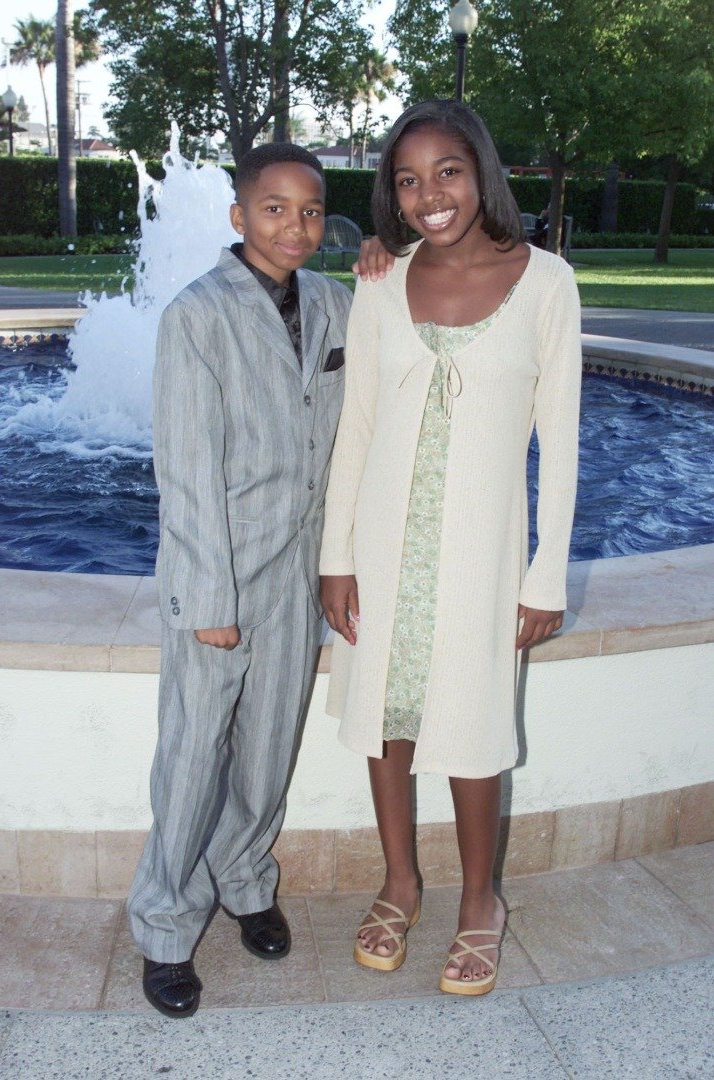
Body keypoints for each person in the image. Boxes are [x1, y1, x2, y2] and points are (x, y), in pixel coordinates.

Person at [320, 100, 581, 997]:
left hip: (481, 555)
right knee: (386, 713)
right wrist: (335, 557)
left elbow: (564, 441)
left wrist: (544, 571)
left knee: (473, 728)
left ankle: (481, 899)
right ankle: (400, 881)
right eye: (407, 178)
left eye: (447, 171)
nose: (429, 194)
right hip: (383, 547)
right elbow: (354, 427)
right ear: (392, 195)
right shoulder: (380, 281)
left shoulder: (545, 282)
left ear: (481, 173)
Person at [128, 143, 352, 1018]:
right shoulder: (197, 316)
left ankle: (246, 881)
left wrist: (385, 257)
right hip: (218, 577)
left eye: (308, 211)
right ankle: (163, 923)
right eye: (273, 208)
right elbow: (183, 472)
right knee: (192, 758)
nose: (292, 225)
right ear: (238, 216)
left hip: (300, 577)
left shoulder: (338, 305)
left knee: (268, 748)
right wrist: (207, 602)